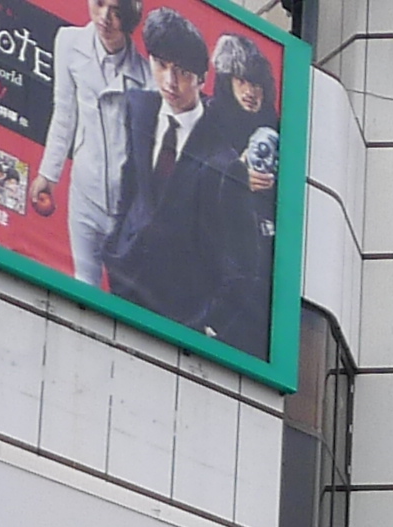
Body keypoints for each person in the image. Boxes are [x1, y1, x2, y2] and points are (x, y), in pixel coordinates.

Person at [101, 9, 272, 340]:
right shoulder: (138, 107)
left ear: (202, 78)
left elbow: (244, 267)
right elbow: (131, 185)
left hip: (177, 316)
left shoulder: (223, 161)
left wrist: (207, 324)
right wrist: (115, 246)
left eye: (181, 71)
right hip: (123, 283)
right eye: (161, 65)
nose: (169, 81)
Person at [38, 0, 148, 285]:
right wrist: (48, 175)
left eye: (116, 12)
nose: (105, 18)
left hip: (126, 209)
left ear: (130, 17)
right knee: (83, 284)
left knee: (126, 294)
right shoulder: (69, 42)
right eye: (99, 4)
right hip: (84, 194)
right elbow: (64, 112)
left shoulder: (148, 78)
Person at [209, 33, 282, 250]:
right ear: (228, 81)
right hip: (218, 244)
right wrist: (235, 176)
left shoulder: (277, 127)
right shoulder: (209, 119)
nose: (250, 92)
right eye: (241, 81)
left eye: (256, 84)